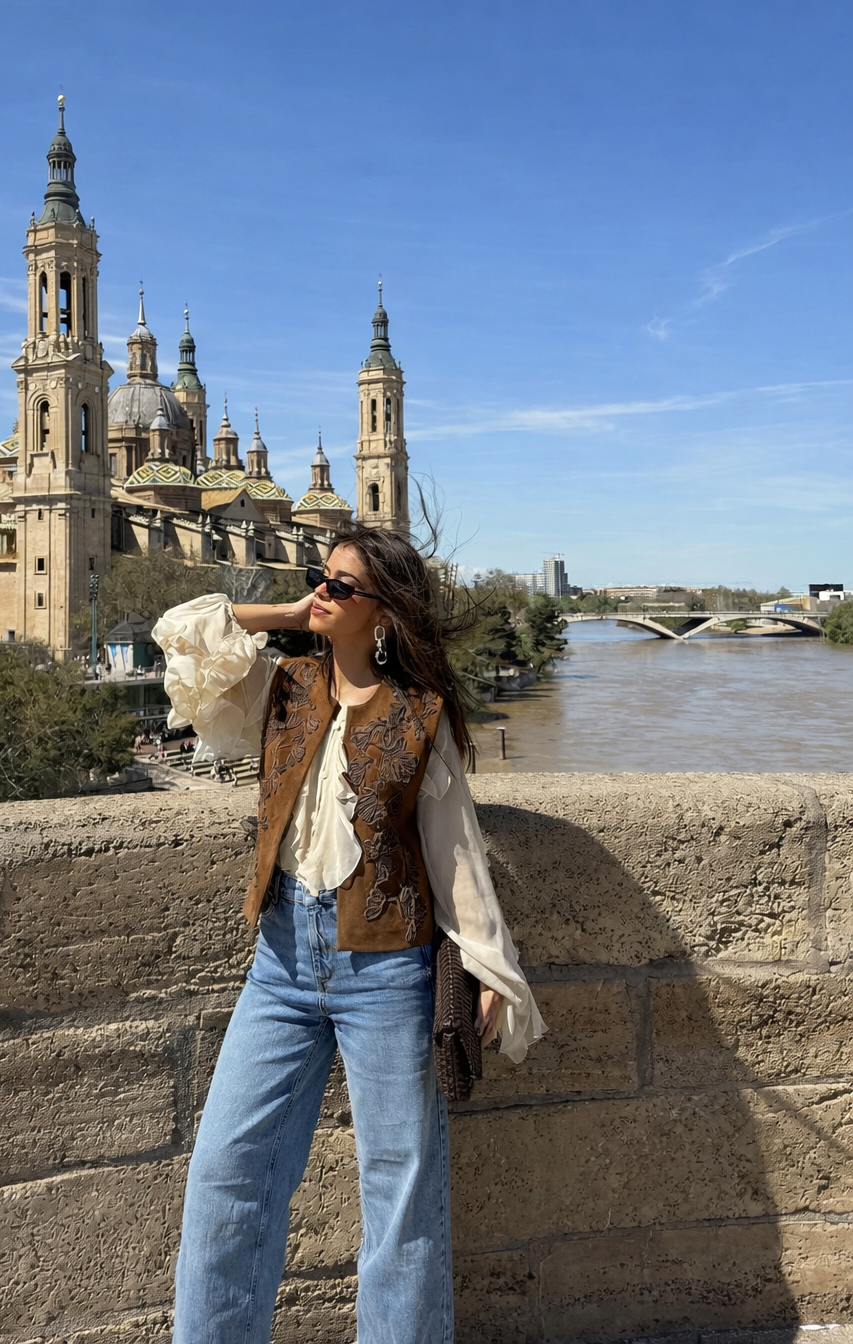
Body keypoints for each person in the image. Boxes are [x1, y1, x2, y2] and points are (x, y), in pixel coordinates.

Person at [153, 525, 546, 1344]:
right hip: (280, 966)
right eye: (319, 576)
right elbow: (184, 629)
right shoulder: (281, 688)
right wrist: (289, 612)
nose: (322, 592)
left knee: (401, 1202)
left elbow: (455, 851)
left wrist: (487, 966)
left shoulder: (421, 715)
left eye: (341, 585)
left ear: (385, 611)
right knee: (224, 1179)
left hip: (389, 972)